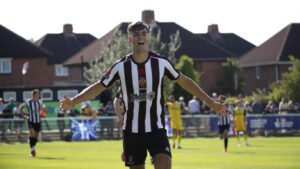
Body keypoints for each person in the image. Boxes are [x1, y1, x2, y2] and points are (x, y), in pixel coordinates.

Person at [60, 21, 225, 169]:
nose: (141, 37)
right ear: (129, 39)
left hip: (157, 129)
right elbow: (99, 86)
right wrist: (74, 101)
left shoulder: (161, 63)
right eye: (136, 34)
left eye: (144, 34)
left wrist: (210, 102)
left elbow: (184, 81)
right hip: (132, 132)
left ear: (148, 38)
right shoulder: (120, 67)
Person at [20, 89, 43, 157]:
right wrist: (23, 115)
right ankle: (32, 151)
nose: (38, 95)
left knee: (35, 136)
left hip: (38, 121)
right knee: (32, 133)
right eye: (37, 94)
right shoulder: (28, 102)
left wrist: (43, 111)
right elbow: (21, 108)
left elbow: (42, 109)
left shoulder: (40, 102)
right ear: (34, 95)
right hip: (31, 120)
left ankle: (32, 148)